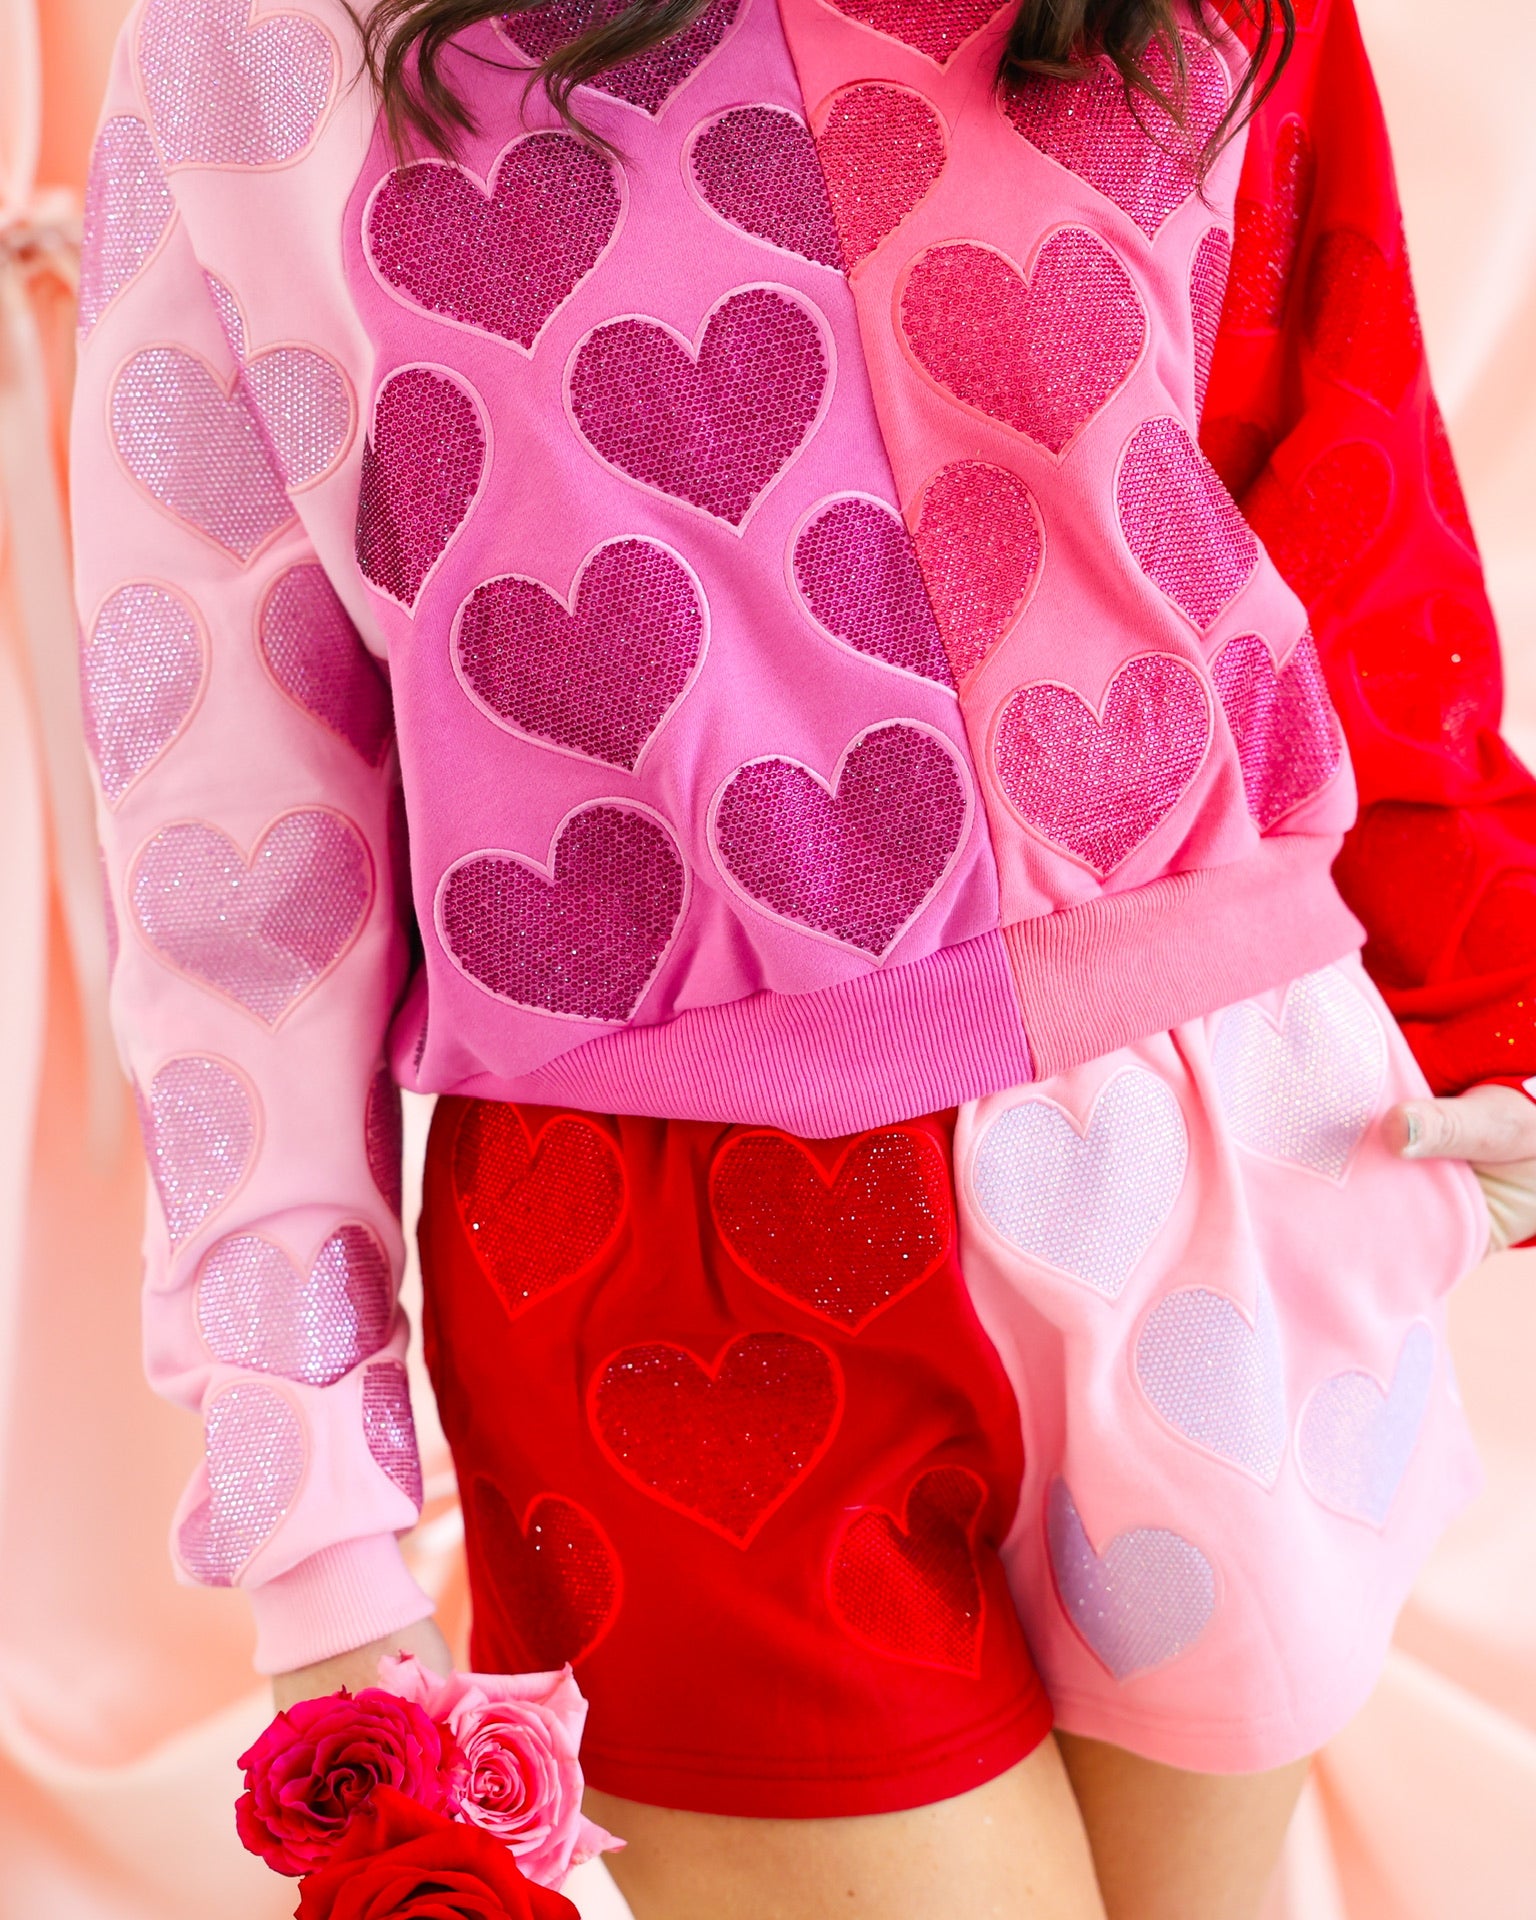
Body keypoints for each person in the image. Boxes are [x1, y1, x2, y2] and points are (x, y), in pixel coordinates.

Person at [72, 0, 1536, 1913]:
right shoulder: (258, 45)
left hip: (1242, 1174)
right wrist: (311, 1513)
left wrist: (1495, 1006)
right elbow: (233, 843)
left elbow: (1348, 493)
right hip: (666, 1279)